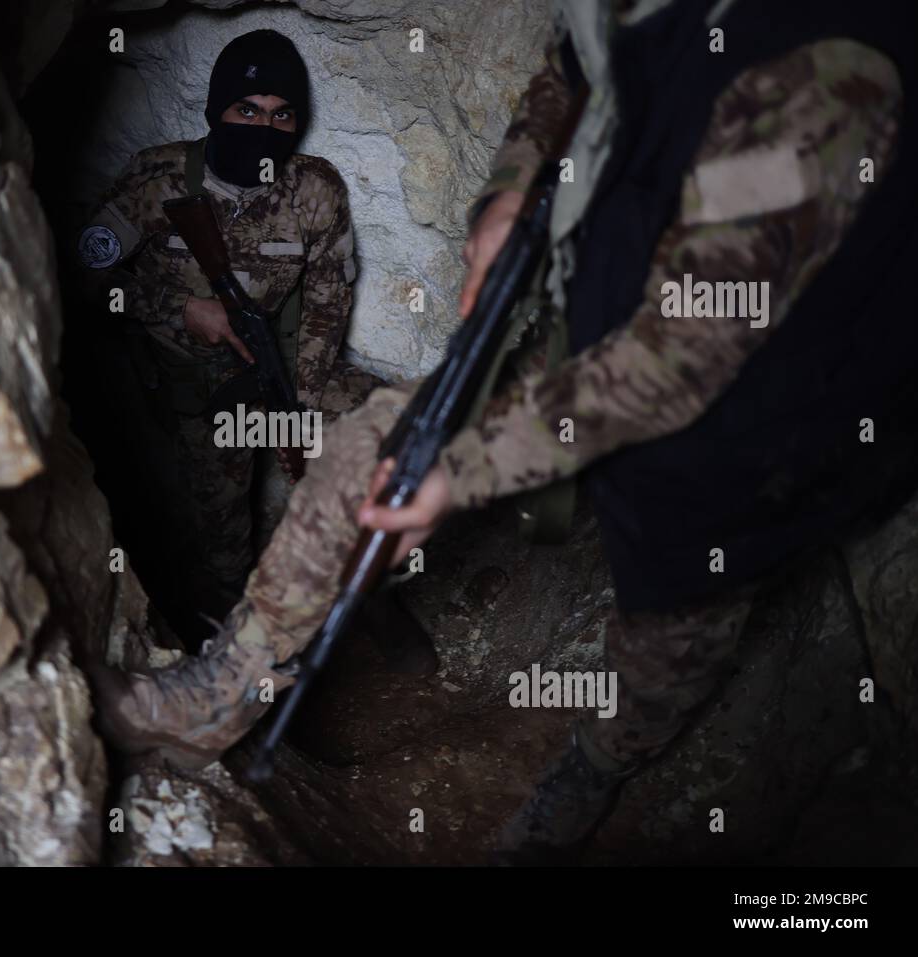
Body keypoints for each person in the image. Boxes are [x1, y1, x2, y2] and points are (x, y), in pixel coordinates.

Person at [93, 0, 918, 861]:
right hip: (590, 323)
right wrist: (509, 189)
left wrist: (467, 472)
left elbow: (681, 355)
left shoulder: (832, 79)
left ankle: (593, 772)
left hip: (752, 425)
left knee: (670, 637)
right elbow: (573, 66)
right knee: (383, 442)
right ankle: (218, 693)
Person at [76, 28, 437, 673]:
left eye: (281, 115)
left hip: (281, 367)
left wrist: (299, 396)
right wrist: (181, 309)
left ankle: (372, 590)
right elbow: (84, 278)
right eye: (248, 110)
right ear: (216, 110)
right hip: (197, 387)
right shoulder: (157, 181)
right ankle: (234, 645)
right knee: (221, 538)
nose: (263, 127)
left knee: (385, 439)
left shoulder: (314, 190)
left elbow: (328, 302)